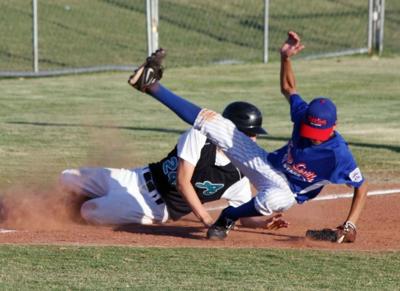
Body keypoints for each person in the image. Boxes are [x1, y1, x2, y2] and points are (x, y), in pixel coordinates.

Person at [127, 31, 368, 242]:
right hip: (264, 163)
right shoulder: (303, 114)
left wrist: (350, 224)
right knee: (214, 123)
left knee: (280, 199)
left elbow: (361, 186)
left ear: (334, 126)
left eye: (319, 134)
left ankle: (228, 216)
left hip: (288, 189)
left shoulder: (339, 155)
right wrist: (285, 57)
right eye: (310, 131)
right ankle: (150, 85)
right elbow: (289, 88)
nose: (313, 138)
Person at [59, 102, 288, 230]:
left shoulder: (239, 174)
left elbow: (244, 215)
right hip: (135, 177)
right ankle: (62, 204)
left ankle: (63, 214)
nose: (253, 139)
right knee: (66, 177)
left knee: (89, 210)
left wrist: (261, 223)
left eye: (254, 134)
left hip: (154, 206)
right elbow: (182, 181)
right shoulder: (199, 136)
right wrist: (207, 220)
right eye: (248, 133)